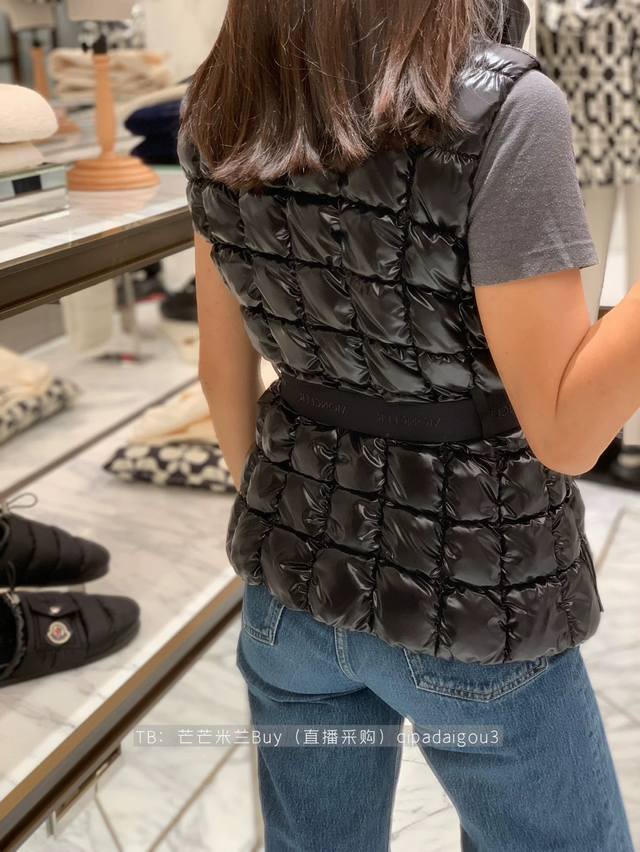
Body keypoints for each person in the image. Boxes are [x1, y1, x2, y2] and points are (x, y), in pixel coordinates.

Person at [178, 1, 635, 849]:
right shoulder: (504, 107)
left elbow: (220, 370)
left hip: (289, 587)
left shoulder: (224, 98)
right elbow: (568, 433)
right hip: (473, 593)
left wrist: (296, 526)